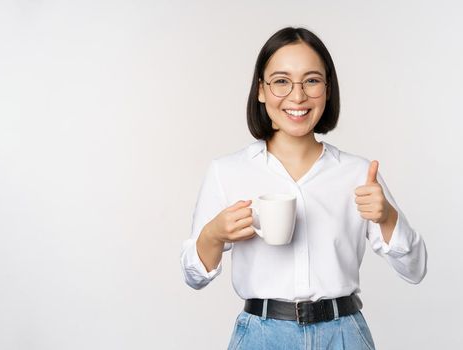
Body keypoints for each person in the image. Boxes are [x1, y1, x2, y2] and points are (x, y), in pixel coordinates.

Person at [179, 27, 428, 350]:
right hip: (261, 336)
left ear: (327, 89)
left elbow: (415, 270)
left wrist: (388, 217)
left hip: (344, 335)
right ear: (261, 90)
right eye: (281, 81)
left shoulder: (357, 173)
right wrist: (213, 234)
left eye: (311, 81)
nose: (297, 97)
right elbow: (193, 277)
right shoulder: (227, 172)